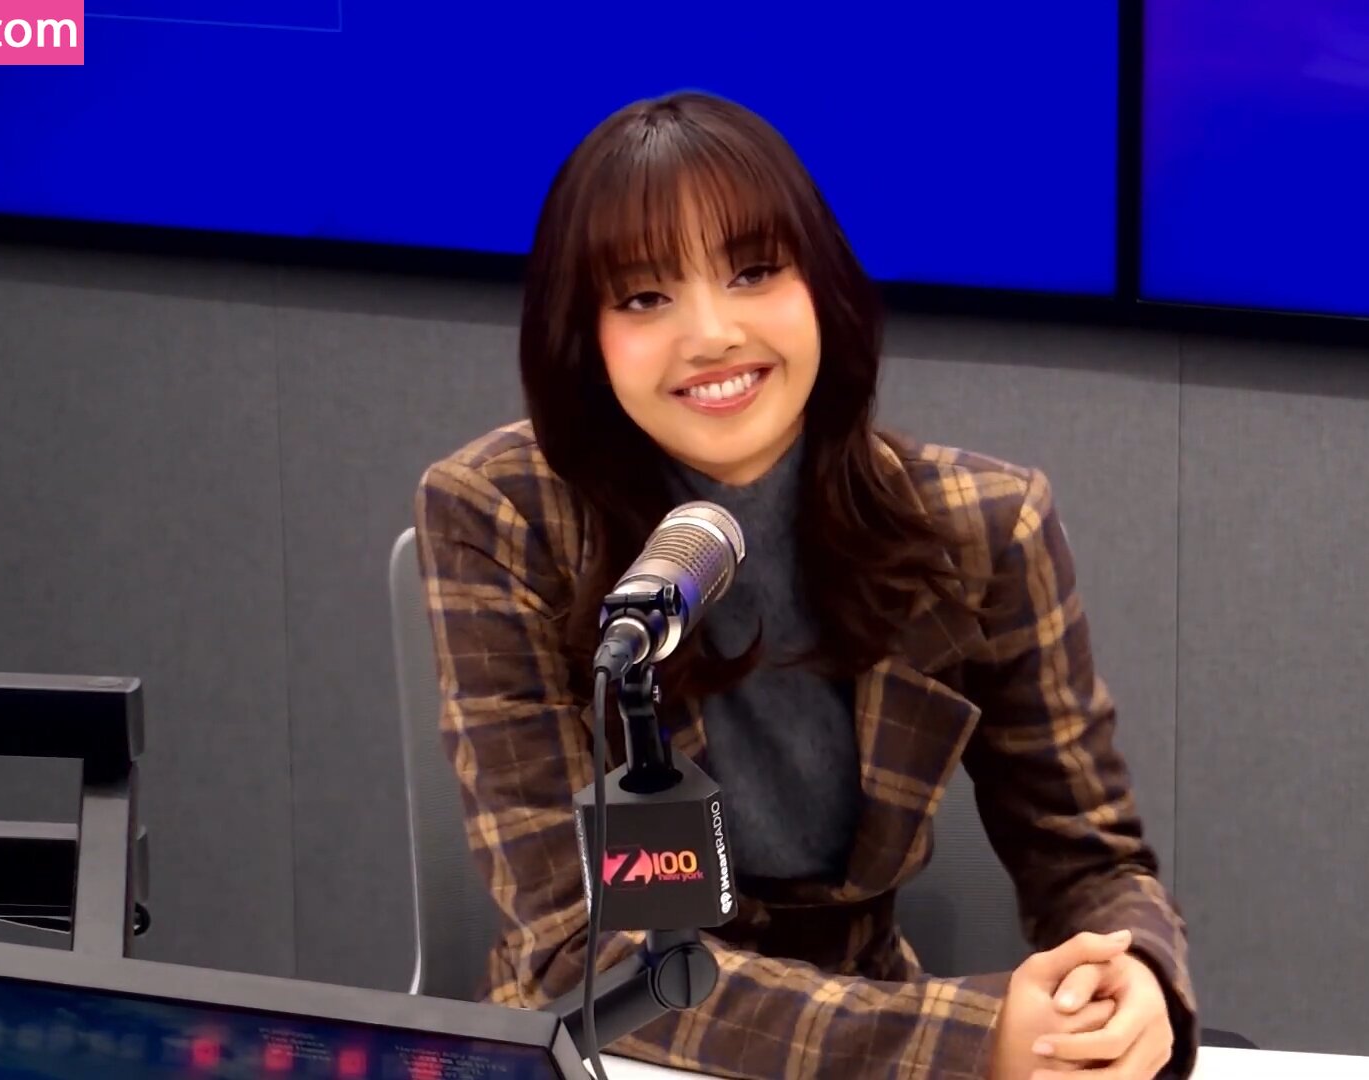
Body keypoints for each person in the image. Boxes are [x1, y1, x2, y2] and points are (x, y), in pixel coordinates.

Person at [415, 89, 1198, 1080]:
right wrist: (973, 1039)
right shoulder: (504, 516)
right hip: (618, 1050)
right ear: (582, 334)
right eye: (645, 297)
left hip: (870, 1038)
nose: (711, 333)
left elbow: (1090, 862)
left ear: (823, 286)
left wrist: (1134, 983)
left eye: (753, 272)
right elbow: (582, 952)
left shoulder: (983, 528)